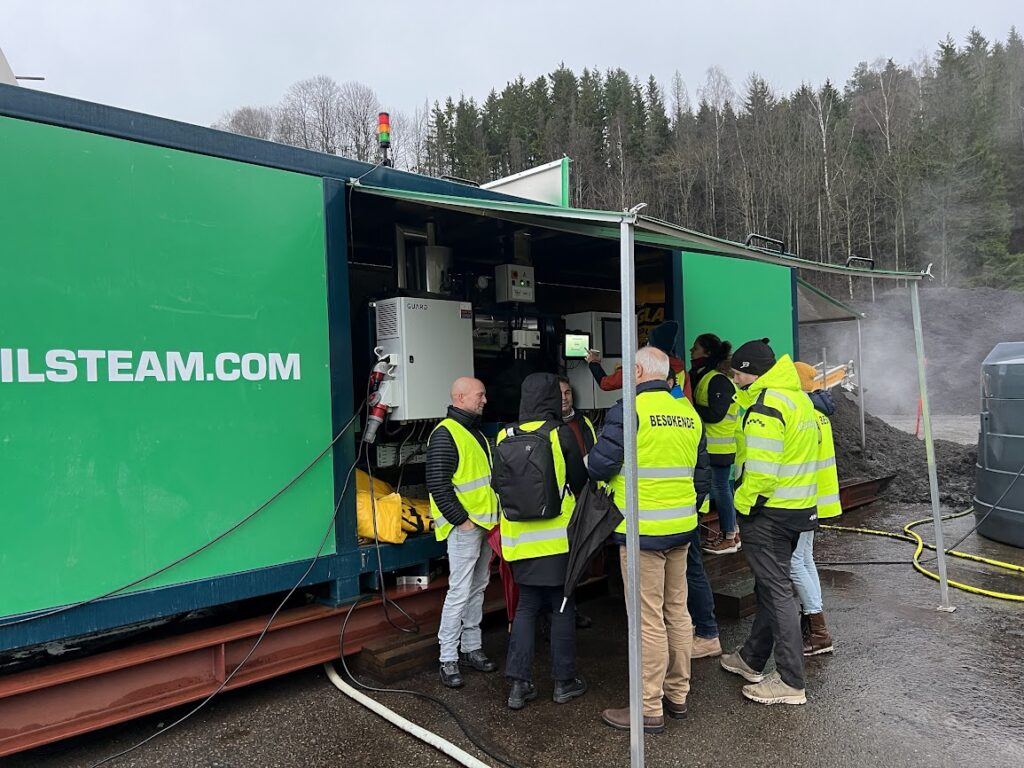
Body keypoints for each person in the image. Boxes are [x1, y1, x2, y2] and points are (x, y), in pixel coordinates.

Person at [588, 346, 708, 733]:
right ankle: (678, 695)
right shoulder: (688, 412)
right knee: (678, 611)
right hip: (682, 528)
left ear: (638, 370)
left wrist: (592, 466)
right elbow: (701, 474)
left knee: (647, 620)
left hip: (643, 533)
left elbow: (601, 464)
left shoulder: (629, 409)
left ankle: (648, 707)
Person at [719, 339, 819, 706]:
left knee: (777, 591)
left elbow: (761, 473)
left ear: (750, 372)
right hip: (798, 510)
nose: (733, 378)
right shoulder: (798, 400)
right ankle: (751, 659)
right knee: (769, 587)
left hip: (769, 513)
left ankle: (791, 681)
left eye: (736, 372)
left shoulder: (765, 407)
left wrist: (742, 507)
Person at [498, 373, 589, 710]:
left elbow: (499, 483)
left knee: (526, 608)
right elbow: (580, 478)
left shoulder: (503, 435)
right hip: (557, 542)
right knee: (562, 608)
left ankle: (519, 686)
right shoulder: (559, 434)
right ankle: (564, 682)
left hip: (519, 542)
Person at [426, 377, 501, 689]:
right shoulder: (445, 434)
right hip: (466, 527)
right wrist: (462, 521)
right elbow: (437, 483)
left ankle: (472, 648)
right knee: (459, 590)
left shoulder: (475, 433)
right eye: (480, 395)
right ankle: (448, 657)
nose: (484, 400)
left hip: (483, 525)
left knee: (478, 587)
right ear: (460, 397)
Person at [793, 361, 841, 655]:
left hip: (804, 498)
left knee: (796, 563)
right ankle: (813, 622)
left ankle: (819, 631)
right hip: (819, 498)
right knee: (805, 560)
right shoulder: (820, 411)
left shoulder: (804, 413)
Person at [689, 333, 741, 556]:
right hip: (712, 448)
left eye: (696, 348)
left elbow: (716, 414)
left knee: (720, 491)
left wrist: (689, 411)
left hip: (719, 449)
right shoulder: (705, 376)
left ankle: (729, 537)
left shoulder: (717, 380)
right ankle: (732, 533)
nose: (691, 351)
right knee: (723, 490)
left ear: (707, 353)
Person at [586, 320, 692, 402]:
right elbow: (688, 402)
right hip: (675, 424)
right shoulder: (682, 372)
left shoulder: (639, 368)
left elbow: (605, 383)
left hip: (648, 421)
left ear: (651, 346)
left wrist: (593, 362)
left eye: (648, 342)